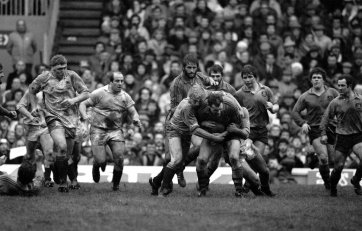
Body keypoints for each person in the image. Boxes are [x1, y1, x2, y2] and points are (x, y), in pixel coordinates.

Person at [150, 53, 216, 190]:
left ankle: (178, 169)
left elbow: (209, 80)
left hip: (192, 122)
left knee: (199, 146)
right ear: (183, 68)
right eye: (189, 68)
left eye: (194, 68)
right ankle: (162, 181)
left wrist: (212, 81)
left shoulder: (199, 76)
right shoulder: (176, 84)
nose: (192, 71)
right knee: (169, 158)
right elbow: (175, 107)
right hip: (176, 122)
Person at [150, 85, 226, 197]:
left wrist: (223, 94)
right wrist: (213, 137)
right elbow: (196, 130)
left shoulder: (203, 95)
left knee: (179, 161)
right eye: (193, 101)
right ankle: (164, 190)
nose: (196, 103)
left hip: (186, 133)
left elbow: (215, 93)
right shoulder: (187, 107)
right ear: (189, 97)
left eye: (198, 101)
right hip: (175, 131)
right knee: (176, 160)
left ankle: (156, 182)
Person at [28, 54, 90, 193]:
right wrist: (33, 107)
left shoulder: (72, 76)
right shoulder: (44, 78)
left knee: (66, 155)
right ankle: (63, 184)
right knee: (61, 146)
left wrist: (73, 101)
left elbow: (86, 93)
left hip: (71, 119)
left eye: (64, 68)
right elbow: (31, 90)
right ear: (52, 69)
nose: (62, 71)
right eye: (58, 69)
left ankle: (57, 171)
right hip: (53, 117)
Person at [79, 72, 142, 191]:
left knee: (119, 157)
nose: (120, 83)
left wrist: (136, 118)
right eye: (117, 81)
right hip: (98, 129)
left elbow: (133, 111)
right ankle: (96, 164)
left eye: (122, 81)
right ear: (110, 82)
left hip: (115, 130)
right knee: (101, 161)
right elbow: (83, 103)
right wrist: (84, 115)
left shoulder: (125, 96)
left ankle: (115, 185)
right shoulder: (99, 93)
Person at [233, 64, 278, 196]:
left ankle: (251, 187)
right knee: (252, 157)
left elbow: (275, 106)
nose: (247, 80)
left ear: (255, 77)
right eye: (244, 77)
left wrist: (273, 107)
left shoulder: (266, 90)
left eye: (250, 77)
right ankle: (252, 187)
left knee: (258, 161)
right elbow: (235, 111)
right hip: (248, 132)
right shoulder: (239, 94)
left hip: (262, 131)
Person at [292, 67, 339, 190]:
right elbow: (295, 112)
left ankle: (313, 156)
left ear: (324, 80)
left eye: (319, 77)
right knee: (324, 158)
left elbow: (342, 106)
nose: (316, 80)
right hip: (315, 129)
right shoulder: (305, 96)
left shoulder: (332, 93)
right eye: (314, 77)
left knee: (333, 159)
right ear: (311, 80)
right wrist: (302, 123)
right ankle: (328, 183)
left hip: (332, 128)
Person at [321, 74, 362, 197]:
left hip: (358, 135)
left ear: (349, 86)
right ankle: (333, 187)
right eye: (338, 85)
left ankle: (356, 180)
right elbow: (325, 118)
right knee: (338, 166)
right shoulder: (335, 102)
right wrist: (323, 134)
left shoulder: (360, 100)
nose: (339, 88)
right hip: (342, 137)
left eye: (342, 85)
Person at [16, 90, 56, 188]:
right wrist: (30, 116)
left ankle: (47, 179)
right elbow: (19, 107)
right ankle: (27, 180)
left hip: (45, 127)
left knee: (49, 153)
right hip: (31, 128)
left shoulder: (54, 92)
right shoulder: (30, 92)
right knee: (30, 156)